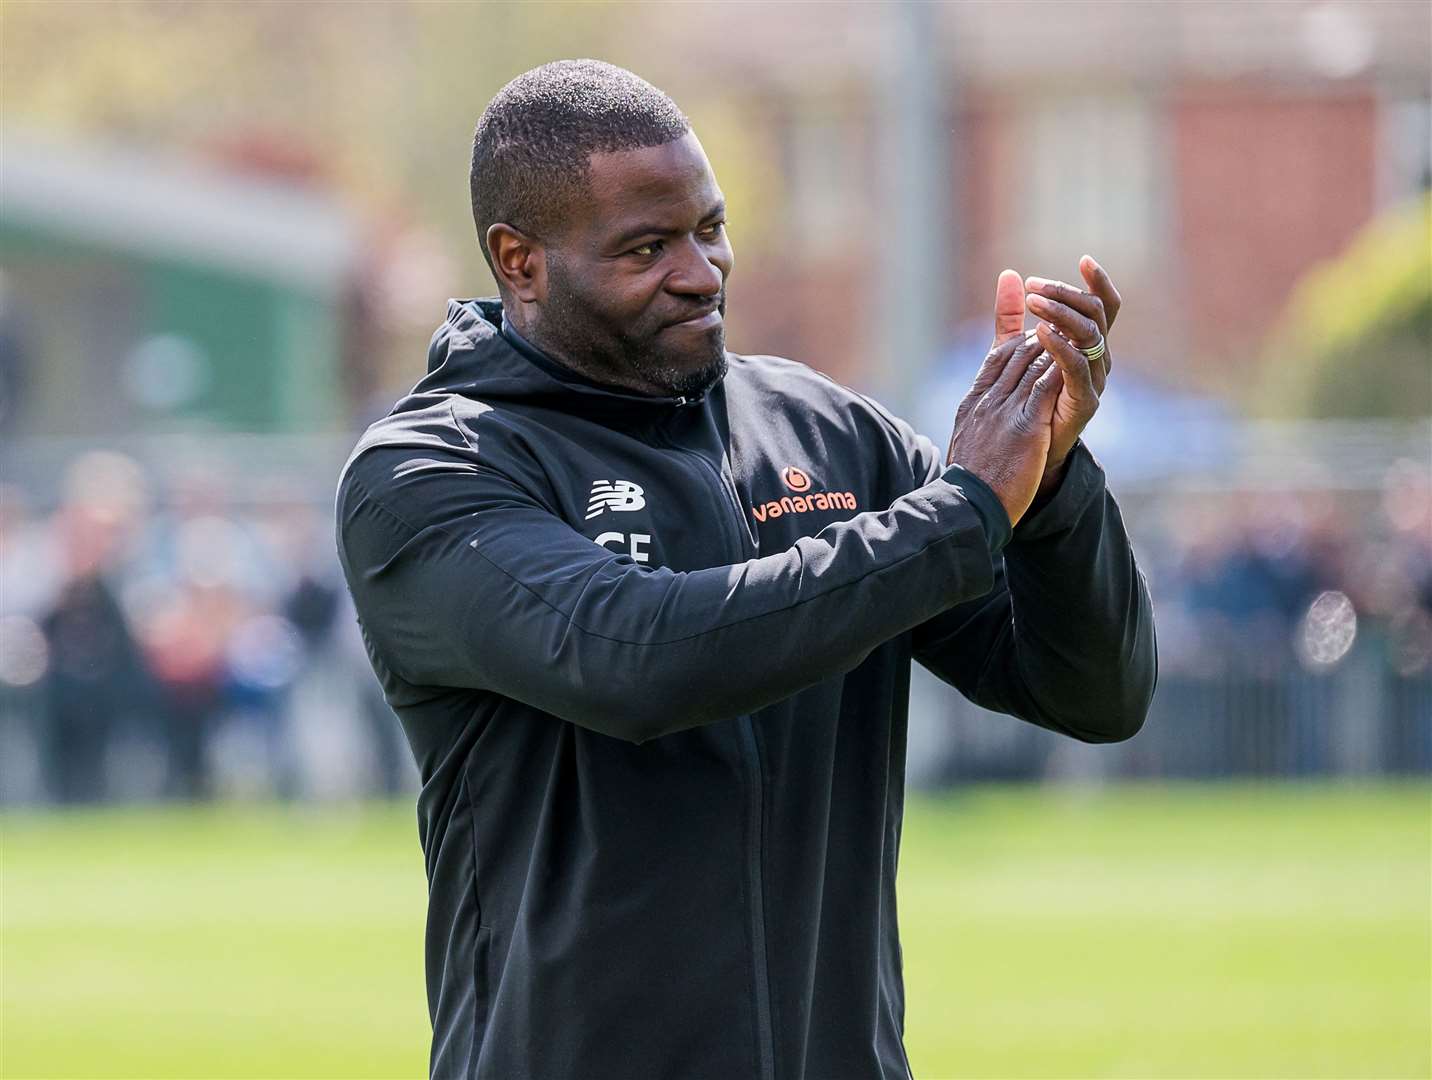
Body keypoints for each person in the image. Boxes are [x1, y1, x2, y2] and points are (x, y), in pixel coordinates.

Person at [335, 60, 1156, 1080]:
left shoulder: (828, 432)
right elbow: (632, 658)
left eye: (709, 229)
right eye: (646, 247)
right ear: (521, 261)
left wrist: (1052, 481)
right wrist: (966, 508)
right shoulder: (430, 470)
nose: (701, 271)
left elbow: (1091, 691)